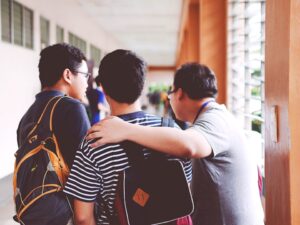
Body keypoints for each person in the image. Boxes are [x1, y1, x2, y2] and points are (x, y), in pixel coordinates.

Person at [87, 63, 265, 225]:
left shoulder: (215, 119)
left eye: (170, 93)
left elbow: (189, 146)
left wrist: (126, 129)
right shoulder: (217, 116)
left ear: (179, 93)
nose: (170, 99)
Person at [63, 49, 192, 225]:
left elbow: (83, 217)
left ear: (104, 88)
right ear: (142, 85)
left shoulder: (94, 141)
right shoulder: (172, 132)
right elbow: (186, 189)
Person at [17, 43, 91, 224]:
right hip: (63, 213)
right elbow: (86, 171)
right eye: (85, 75)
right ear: (67, 75)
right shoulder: (72, 108)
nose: (88, 82)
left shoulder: (28, 115)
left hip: (33, 209)